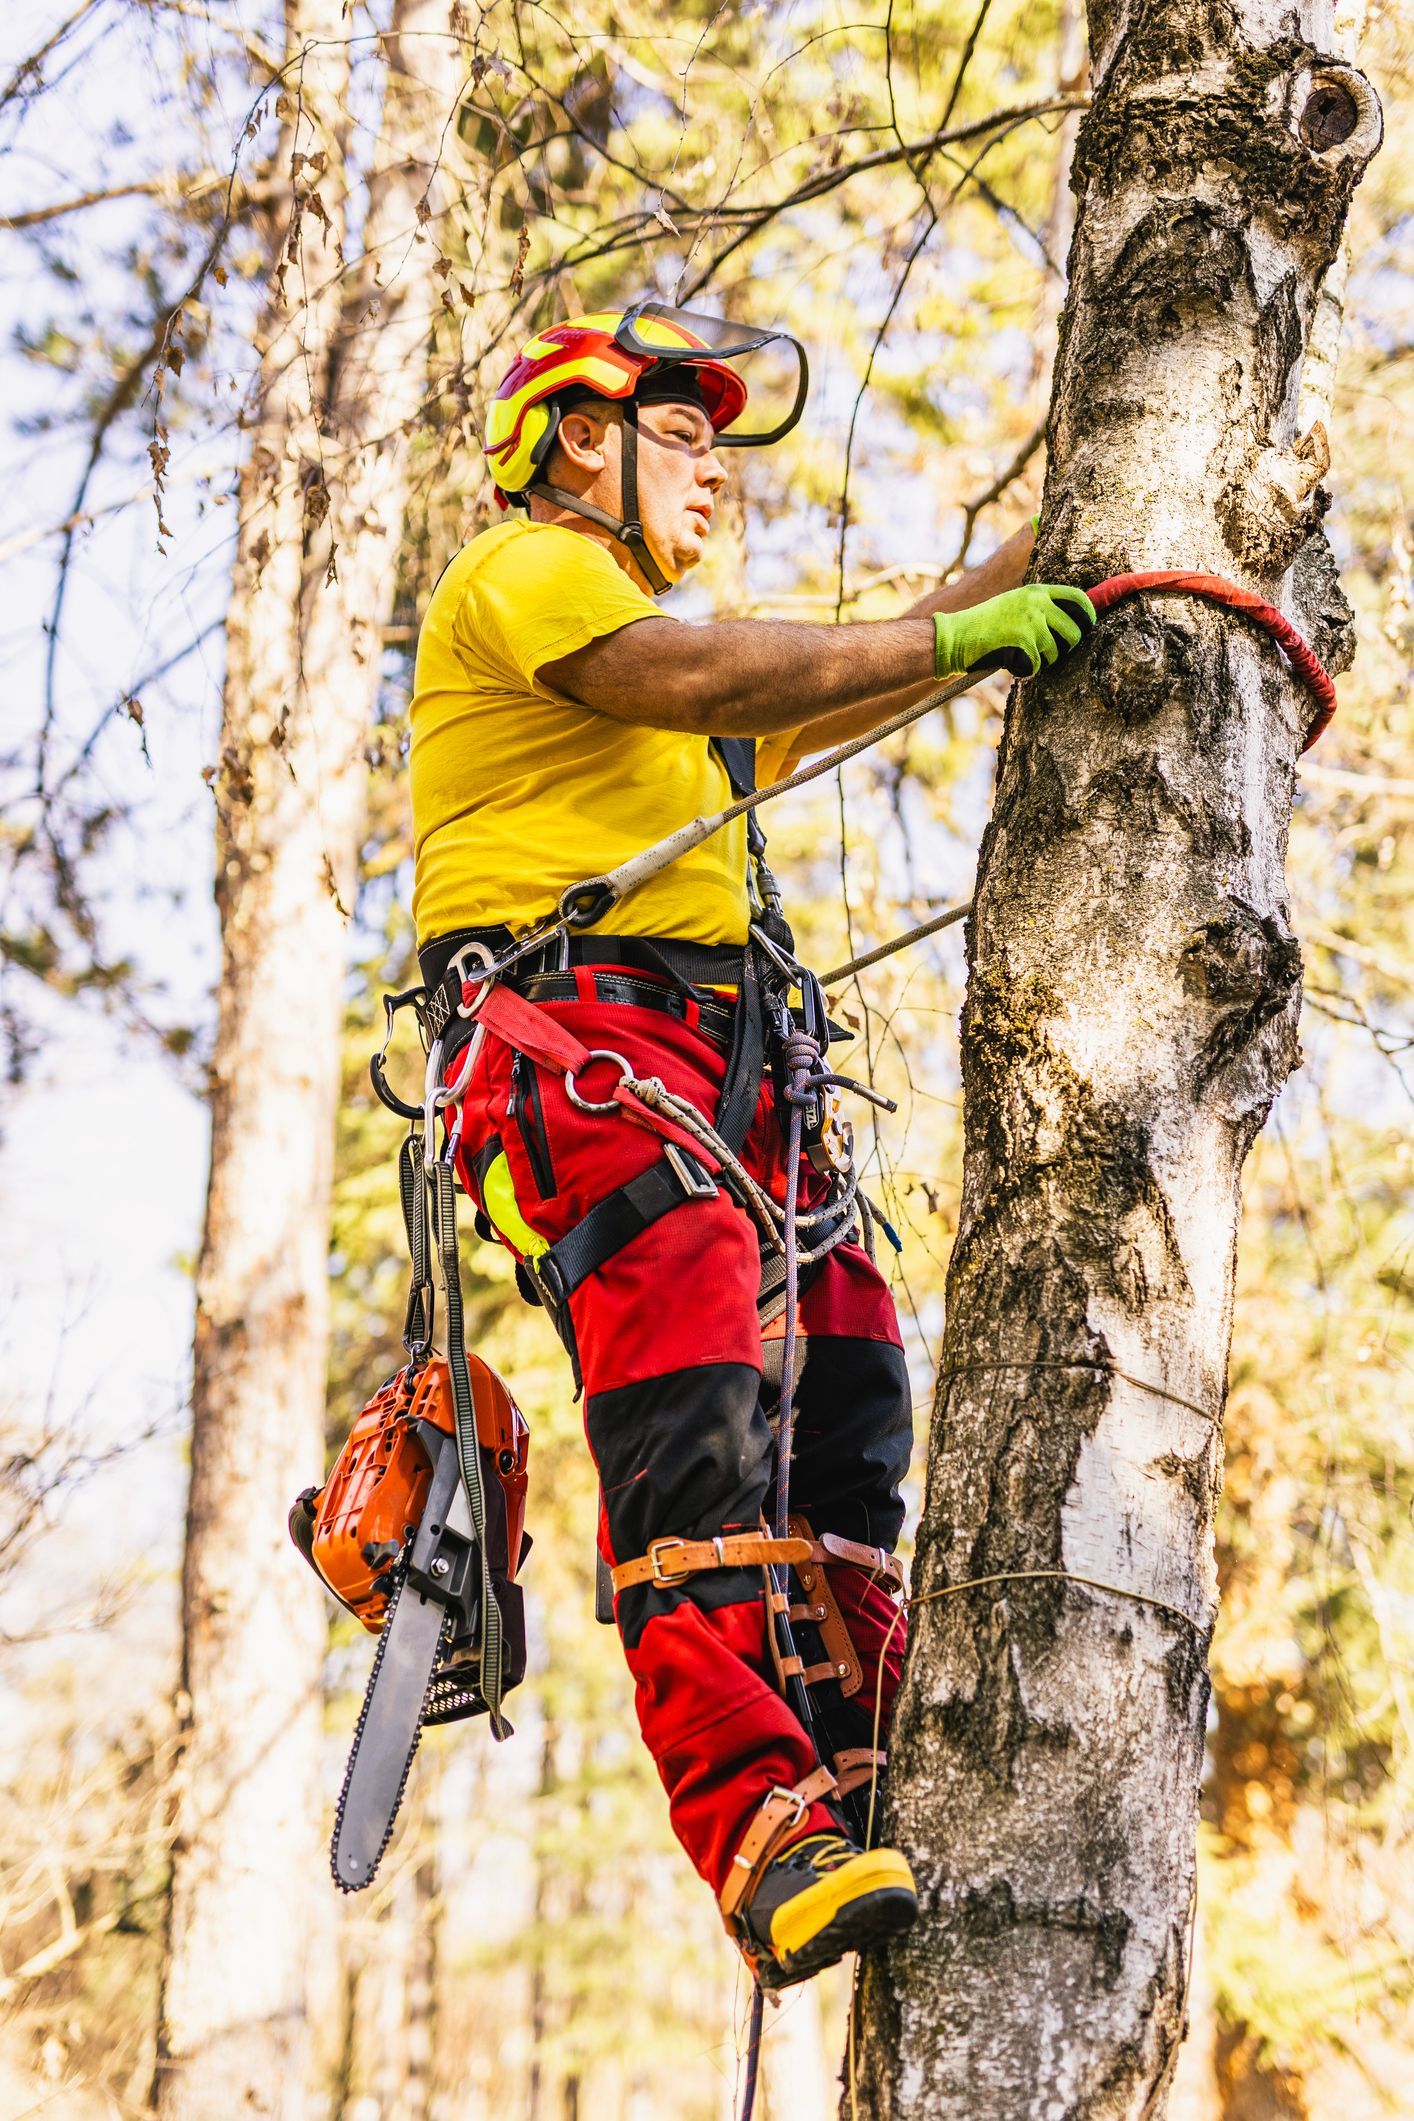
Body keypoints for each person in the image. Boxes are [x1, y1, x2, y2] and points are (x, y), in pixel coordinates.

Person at [408, 305, 1093, 1988]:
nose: (713, 470)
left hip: (720, 1043)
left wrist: (1064, 536)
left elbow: (810, 689)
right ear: (582, 439)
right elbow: (716, 673)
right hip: (579, 1039)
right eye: (683, 434)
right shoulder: (532, 578)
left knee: (850, 1381)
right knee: (693, 1403)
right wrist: (956, 639)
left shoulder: (665, 662)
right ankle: (755, 1822)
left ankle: (862, 1757)